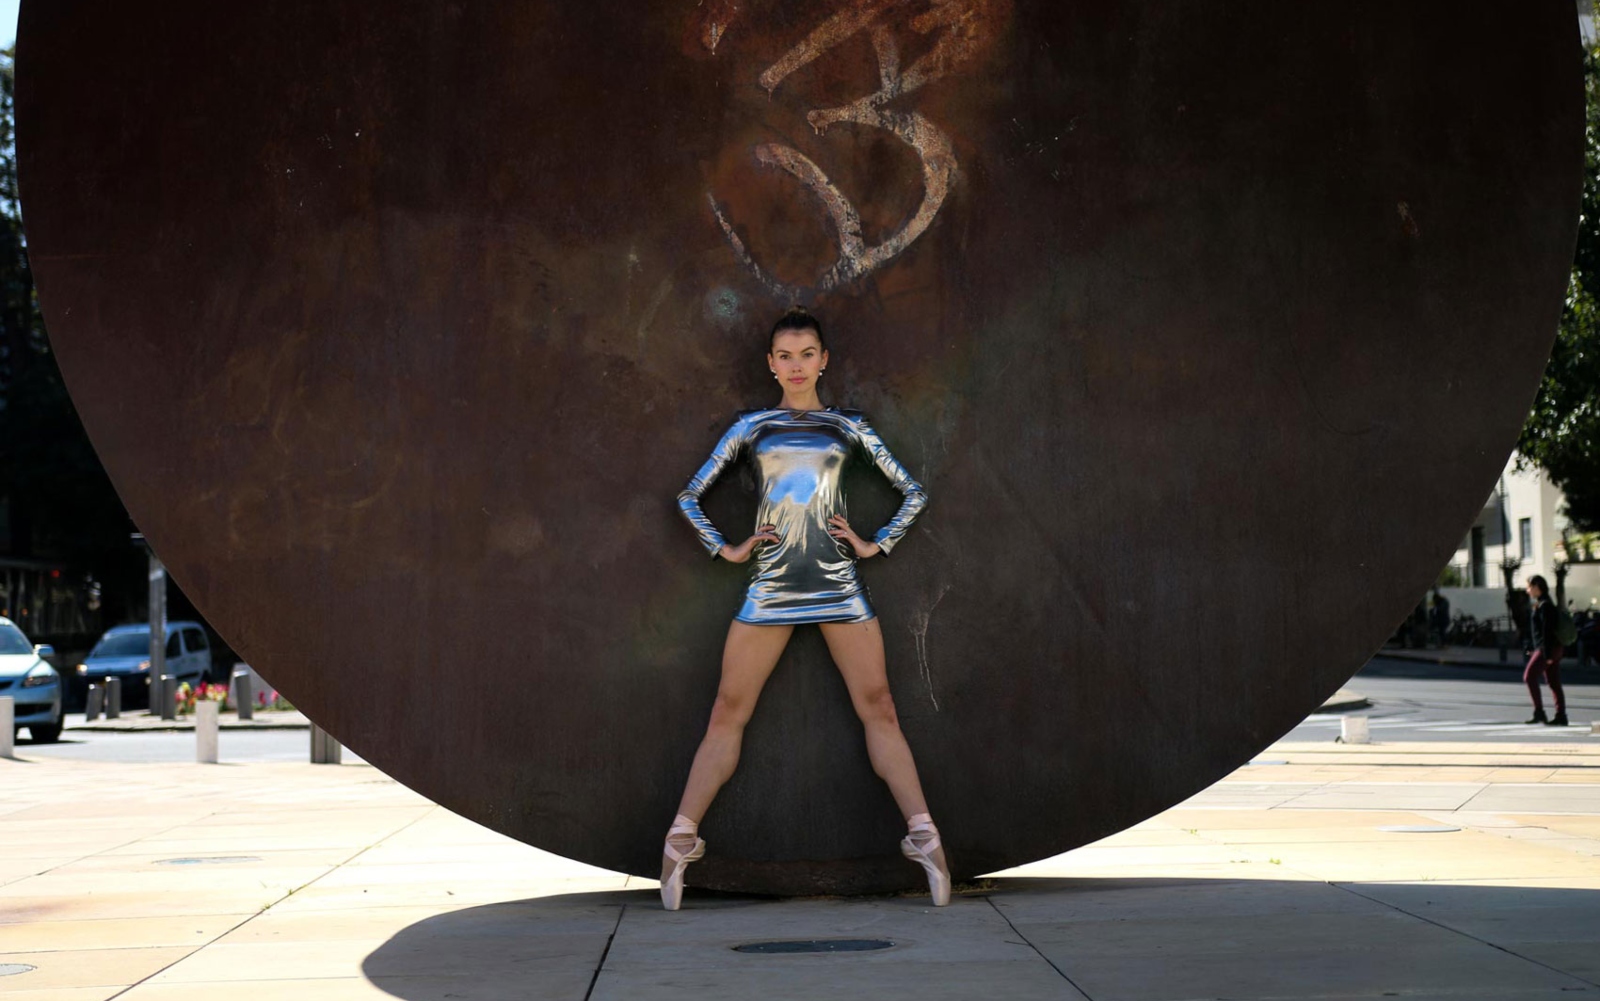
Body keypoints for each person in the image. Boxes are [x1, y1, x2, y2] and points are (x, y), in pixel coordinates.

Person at [661, 306, 947, 911]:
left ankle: (924, 838)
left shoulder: (850, 427)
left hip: (840, 584)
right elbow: (689, 495)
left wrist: (876, 542)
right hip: (769, 586)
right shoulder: (751, 428)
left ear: (823, 360)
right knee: (727, 711)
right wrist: (727, 548)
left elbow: (913, 491)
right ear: (771, 364)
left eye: (806, 354)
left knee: (881, 708)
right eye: (785, 356)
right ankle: (681, 840)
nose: (796, 366)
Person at [1523, 575, 1567, 727]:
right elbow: (1539, 631)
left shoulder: (1545, 605)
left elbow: (1547, 631)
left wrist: (1547, 655)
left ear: (1536, 587)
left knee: (1529, 676)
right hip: (1550, 649)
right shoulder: (1543, 604)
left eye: (1529, 587)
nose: (1527, 590)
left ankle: (1539, 712)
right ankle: (1561, 716)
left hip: (1547, 649)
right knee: (1554, 682)